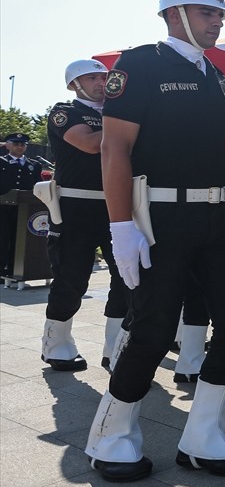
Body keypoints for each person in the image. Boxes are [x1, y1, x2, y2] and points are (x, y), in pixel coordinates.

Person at [85, 0, 225, 482]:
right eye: (208, 12)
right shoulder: (139, 64)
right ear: (174, 13)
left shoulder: (219, 78)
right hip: (160, 214)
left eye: (220, 14)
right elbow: (113, 149)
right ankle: (112, 435)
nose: (218, 21)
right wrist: (121, 228)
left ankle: (204, 433)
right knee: (155, 327)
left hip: (218, 213)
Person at [41, 61, 131, 371]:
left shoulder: (114, 113)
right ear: (74, 85)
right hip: (75, 207)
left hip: (115, 205)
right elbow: (92, 144)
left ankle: (115, 348)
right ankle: (56, 344)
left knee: (125, 277)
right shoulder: (65, 112)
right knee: (71, 278)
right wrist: (126, 120)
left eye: (104, 77)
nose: (100, 82)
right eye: (92, 78)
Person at [1, 132, 40, 278]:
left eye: (22, 144)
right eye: (16, 144)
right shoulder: (1, 162)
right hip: (4, 208)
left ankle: (14, 270)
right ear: (8, 145)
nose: (19, 147)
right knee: (3, 239)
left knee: (20, 241)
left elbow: (37, 186)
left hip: (25, 209)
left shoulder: (33, 165)